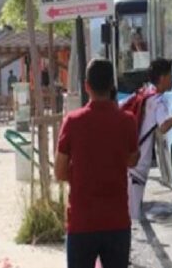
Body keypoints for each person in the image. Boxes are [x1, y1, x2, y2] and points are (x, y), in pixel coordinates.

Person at [55, 59, 139, 268]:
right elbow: (132, 159)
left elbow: (59, 171)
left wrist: (80, 175)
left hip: (82, 222)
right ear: (112, 85)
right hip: (117, 221)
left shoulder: (72, 122)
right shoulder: (127, 120)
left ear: (86, 86)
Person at [127, 58, 172, 222]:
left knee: (129, 213)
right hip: (137, 167)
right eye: (171, 75)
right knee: (132, 218)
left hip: (129, 164)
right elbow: (163, 126)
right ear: (162, 78)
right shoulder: (158, 101)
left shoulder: (145, 93)